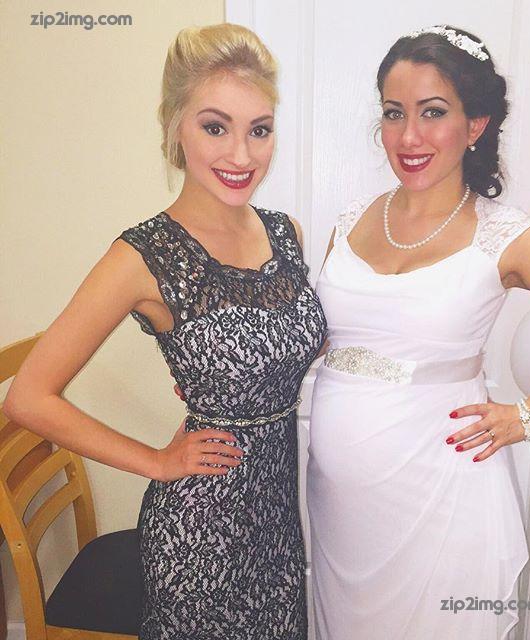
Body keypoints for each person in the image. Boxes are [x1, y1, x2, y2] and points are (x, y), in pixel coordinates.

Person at [306, 25, 530, 639]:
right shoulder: (350, 221)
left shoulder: (505, 234)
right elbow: (317, 341)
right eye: (394, 113)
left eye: (433, 112)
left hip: (440, 490)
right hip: (340, 506)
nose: (409, 136)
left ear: (476, 124)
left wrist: (527, 417)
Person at [5, 23, 326, 639]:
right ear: (177, 127)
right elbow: (28, 397)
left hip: (278, 520)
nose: (242, 155)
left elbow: (285, 345)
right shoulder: (143, 256)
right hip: (199, 531)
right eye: (215, 127)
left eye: (259, 130)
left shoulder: (285, 233)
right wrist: (154, 460)